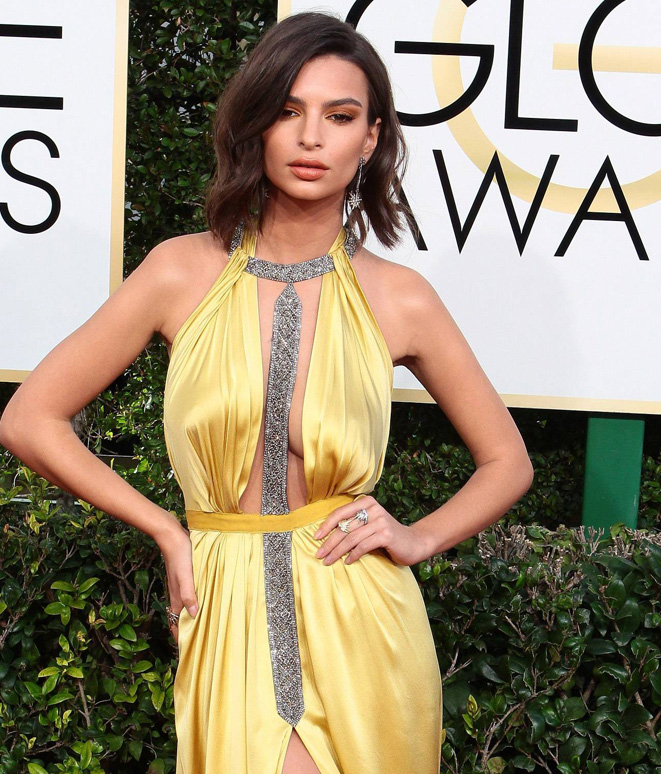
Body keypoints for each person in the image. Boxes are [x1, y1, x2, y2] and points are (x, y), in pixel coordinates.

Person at [0, 13, 533, 774]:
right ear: (257, 126)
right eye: (288, 111)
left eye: (339, 116)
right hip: (225, 603)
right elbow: (31, 419)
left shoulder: (401, 298)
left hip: (362, 613)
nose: (311, 137)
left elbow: (507, 462)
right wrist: (166, 530)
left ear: (371, 139)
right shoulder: (179, 272)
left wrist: (416, 537)